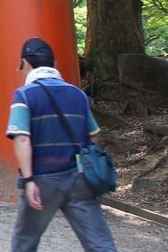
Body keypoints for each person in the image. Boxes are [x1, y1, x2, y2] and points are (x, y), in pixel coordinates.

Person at [8, 37, 117, 252]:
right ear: (54, 64)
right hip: (80, 179)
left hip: (43, 179)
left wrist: (29, 180)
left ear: (26, 63)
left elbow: (21, 138)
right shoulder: (77, 94)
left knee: (25, 241)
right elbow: (94, 135)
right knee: (99, 243)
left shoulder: (24, 95)